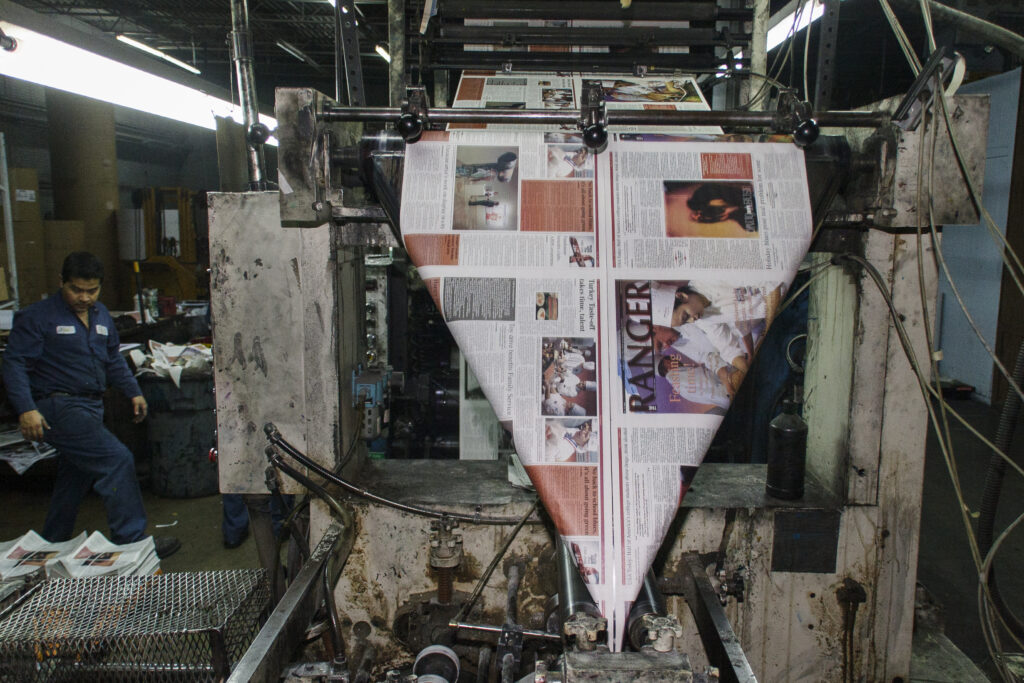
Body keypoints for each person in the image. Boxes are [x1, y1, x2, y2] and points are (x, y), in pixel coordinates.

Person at [3, 252, 180, 559]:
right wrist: (26, 408)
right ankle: (131, 541)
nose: (83, 298)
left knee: (76, 474)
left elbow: (112, 358)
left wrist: (132, 391)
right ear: (62, 282)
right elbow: (14, 363)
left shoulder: (101, 318)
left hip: (90, 408)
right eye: (76, 290)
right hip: (57, 406)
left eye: (91, 291)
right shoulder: (38, 317)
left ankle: (51, 541)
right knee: (117, 460)